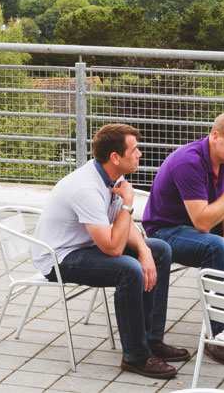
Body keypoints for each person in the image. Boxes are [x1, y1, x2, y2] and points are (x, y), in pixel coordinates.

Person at [34, 123, 187, 379]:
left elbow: (123, 228)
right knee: (129, 270)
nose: (140, 154)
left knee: (159, 249)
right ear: (115, 157)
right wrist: (128, 204)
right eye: (135, 150)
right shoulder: (87, 188)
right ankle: (135, 356)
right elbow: (114, 248)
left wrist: (145, 252)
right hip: (60, 257)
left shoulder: (113, 177)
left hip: (88, 245)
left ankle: (152, 340)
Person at [141, 111, 224, 364]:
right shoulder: (190, 162)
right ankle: (217, 335)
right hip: (165, 230)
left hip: (195, 228)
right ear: (215, 136)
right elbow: (203, 221)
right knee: (215, 247)